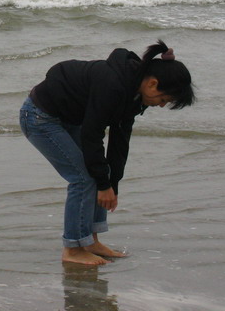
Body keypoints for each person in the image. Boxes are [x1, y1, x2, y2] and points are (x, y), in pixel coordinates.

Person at [19, 40, 195, 266]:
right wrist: (103, 185)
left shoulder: (134, 95)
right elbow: (92, 135)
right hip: (40, 117)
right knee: (83, 178)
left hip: (70, 119)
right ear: (153, 83)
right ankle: (72, 248)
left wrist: (112, 184)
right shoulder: (113, 85)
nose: (160, 105)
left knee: (99, 172)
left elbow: (120, 141)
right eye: (163, 100)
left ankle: (90, 241)